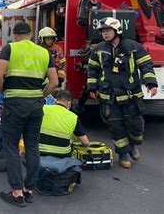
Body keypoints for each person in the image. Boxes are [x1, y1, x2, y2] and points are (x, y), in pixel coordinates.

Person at [0, 21, 58, 208]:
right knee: (32, 146)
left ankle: (16, 192)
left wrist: (0, 92)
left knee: (12, 147)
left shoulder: (10, 48)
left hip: (14, 104)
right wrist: (40, 95)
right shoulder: (44, 52)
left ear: (15, 35)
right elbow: (54, 82)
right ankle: (29, 189)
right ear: (31, 34)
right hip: (36, 106)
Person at [87, 17, 157, 169]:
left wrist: (151, 84)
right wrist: (92, 88)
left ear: (117, 31)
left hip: (131, 95)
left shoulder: (133, 47)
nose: (104, 34)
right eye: (102, 31)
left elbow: (146, 65)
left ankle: (132, 145)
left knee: (136, 126)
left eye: (107, 31)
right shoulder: (98, 49)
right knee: (116, 126)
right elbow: (92, 70)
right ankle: (123, 154)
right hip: (109, 96)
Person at [39, 90, 90, 158]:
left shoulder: (43, 108)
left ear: (55, 100)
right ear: (69, 103)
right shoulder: (73, 117)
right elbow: (85, 142)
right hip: (62, 154)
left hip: (40, 151)